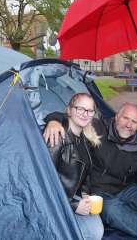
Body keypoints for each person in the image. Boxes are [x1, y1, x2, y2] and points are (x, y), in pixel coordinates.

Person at [44, 103, 137, 240]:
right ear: (117, 116)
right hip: (98, 192)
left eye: (134, 122)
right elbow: (72, 118)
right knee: (111, 210)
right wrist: (54, 121)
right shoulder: (97, 127)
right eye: (125, 118)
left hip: (125, 189)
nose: (129, 125)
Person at [46, 93, 104, 240]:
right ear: (69, 110)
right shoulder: (57, 135)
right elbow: (45, 181)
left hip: (74, 196)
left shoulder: (85, 138)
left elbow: (84, 172)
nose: (85, 114)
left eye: (90, 111)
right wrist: (73, 205)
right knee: (92, 233)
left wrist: (85, 193)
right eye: (80, 109)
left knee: (97, 229)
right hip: (56, 202)